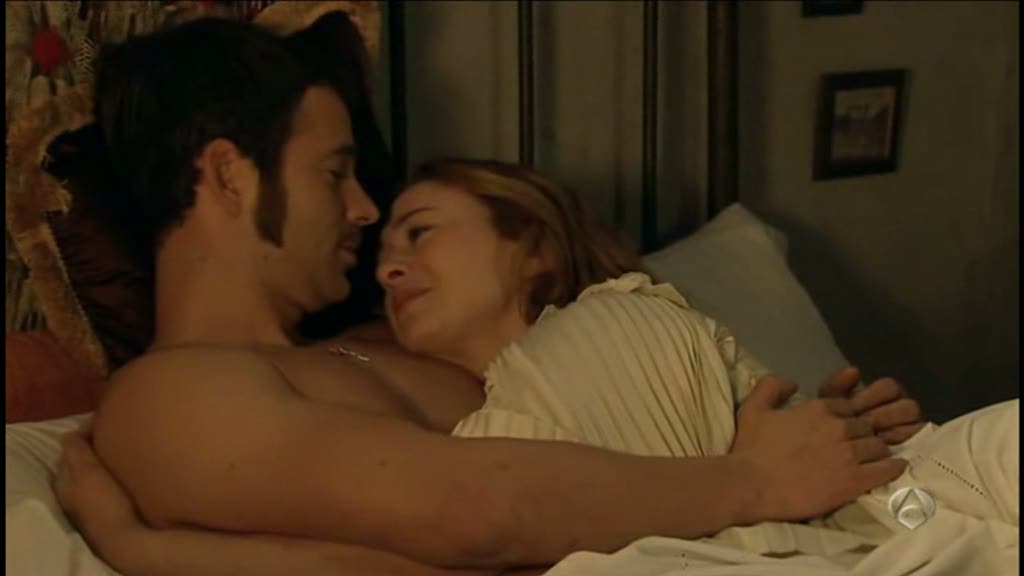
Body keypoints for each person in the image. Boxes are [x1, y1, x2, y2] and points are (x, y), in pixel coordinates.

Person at [57, 14, 921, 576]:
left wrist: (810, 434)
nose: (363, 211)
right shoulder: (172, 395)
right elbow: (476, 517)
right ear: (226, 176)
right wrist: (753, 482)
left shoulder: (398, 342)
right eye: (334, 173)